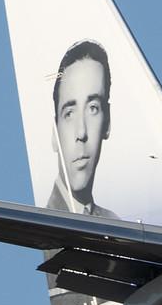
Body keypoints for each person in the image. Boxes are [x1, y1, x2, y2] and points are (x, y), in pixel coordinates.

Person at [46, 40, 118, 219]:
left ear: (107, 122)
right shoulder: (51, 226)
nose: (81, 133)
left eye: (93, 108)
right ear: (55, 133)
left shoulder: (114, 221)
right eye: (69, 113)